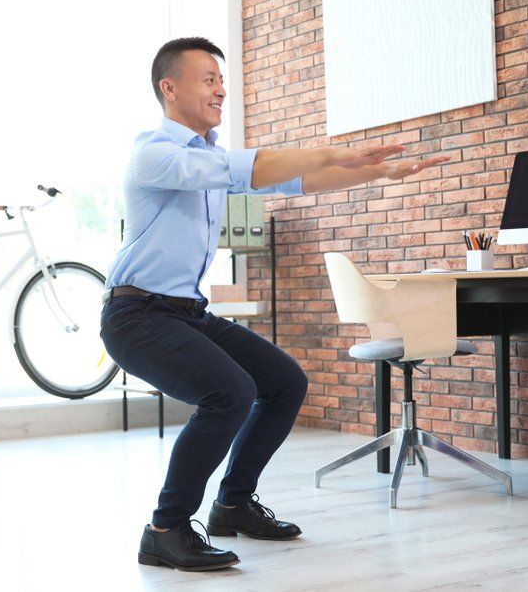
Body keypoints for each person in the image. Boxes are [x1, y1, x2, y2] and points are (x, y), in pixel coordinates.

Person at [100, 37, 450, 572]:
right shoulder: (154, 153)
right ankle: (165, 529)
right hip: (137, 314)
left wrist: (374, 172)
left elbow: (295, 180)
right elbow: (260, 167)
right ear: (169, 88)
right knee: (229, 393)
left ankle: (234, 504)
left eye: (221, 78)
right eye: (207, 78)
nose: (220, 89)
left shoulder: (212, 156)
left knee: (284, 381)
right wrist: (335, 151)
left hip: (184, 312)